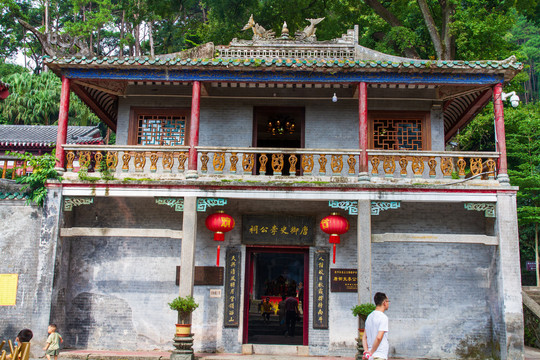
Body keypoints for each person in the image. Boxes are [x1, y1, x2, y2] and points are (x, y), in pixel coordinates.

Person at [362, 292, 390, 360]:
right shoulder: (383, 317)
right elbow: (379, 337)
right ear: (384, 303)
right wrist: (371, 352)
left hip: (370, 357)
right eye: (388, 301)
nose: (388, 303)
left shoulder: (369, 317)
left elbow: (364, 337)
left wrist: (367, 352)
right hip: (379, 355)